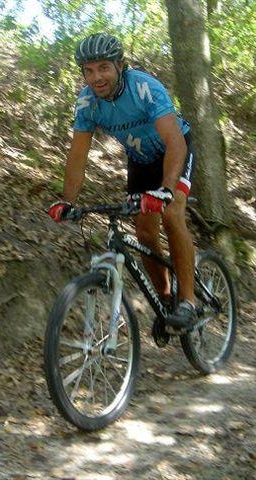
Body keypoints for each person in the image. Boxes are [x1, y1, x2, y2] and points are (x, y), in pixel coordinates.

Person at [47, 32, 199, 331]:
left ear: (121, 65)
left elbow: (175, 143)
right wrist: (67, 201)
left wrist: (167, 190)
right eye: (88, 70)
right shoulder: (88, 102)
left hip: (175, 151)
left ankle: (189, 302)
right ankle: (166, 298)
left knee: (171, 214)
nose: (96, 77)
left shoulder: (145, 88)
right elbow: (77, 155)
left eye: (103, 67)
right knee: (143, 233)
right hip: (141, 161)